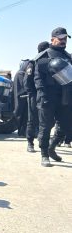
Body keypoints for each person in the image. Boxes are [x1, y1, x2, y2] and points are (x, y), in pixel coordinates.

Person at [34, 27, 72, 167]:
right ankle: (44, 154)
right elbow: (38, 79)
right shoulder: (44, 57)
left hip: (65, 97)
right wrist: (42, 95)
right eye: (60, 38)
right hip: (48, 96)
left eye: (65, 38)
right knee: (46, 126)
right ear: (52, 39)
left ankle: (52, 147)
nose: (63, 41)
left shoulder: (68, 57)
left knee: (67, 126)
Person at [23, 41, 50, 152]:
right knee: (32, 119)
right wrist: (32, 94)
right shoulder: (33, 63)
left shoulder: (48, 62)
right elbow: (27, 81)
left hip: (46, 95)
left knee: (45, 120)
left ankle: (42, 141)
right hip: (34, 95)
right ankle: (30, 143)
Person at [13, 60, 29, 137]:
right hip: (21, 96)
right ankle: (21, 131)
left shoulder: (20, 73)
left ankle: (22, 131)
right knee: (20, 112)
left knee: (23, 112)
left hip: (22, 96)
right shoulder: (20, 74)